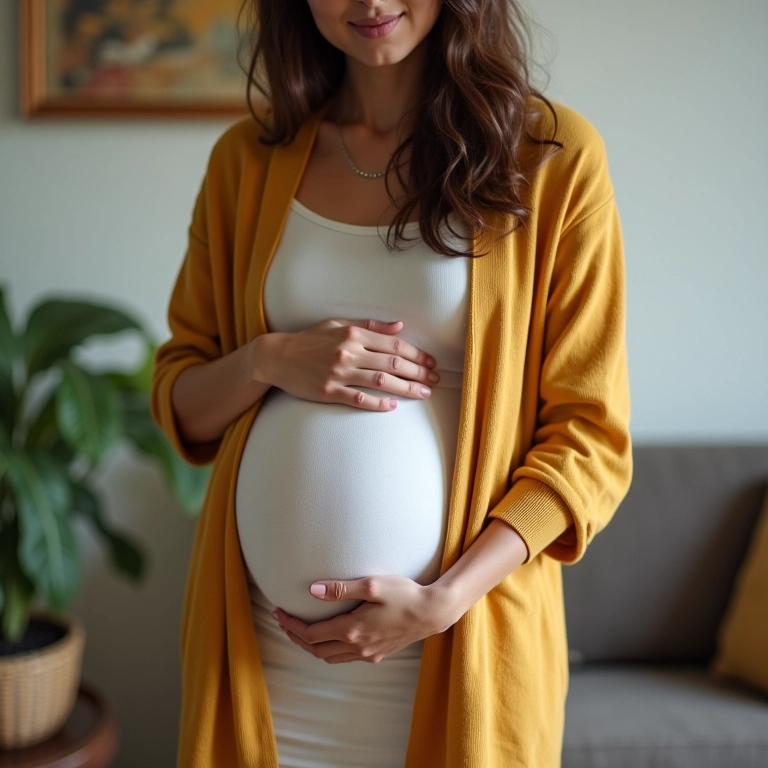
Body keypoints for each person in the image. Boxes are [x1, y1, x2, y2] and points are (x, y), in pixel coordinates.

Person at [150, 1, 633, 766]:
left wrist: (444, 602)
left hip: (457, 640)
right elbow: (181, 398)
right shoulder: (247, 159)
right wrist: (268, 359)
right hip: (268, 656)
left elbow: (591, 439)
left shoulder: (551, 156)